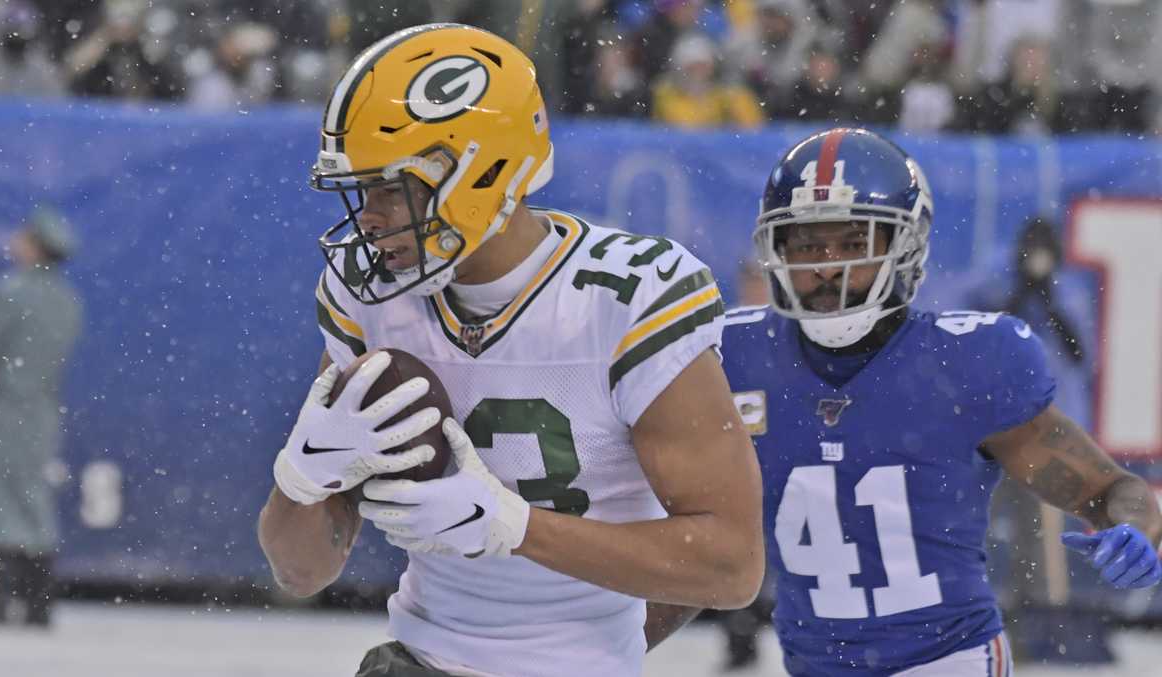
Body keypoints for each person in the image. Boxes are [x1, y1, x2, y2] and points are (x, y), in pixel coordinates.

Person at [256, 23, 765, 677]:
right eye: (361, 192)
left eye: (389, 187)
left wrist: (516, 526)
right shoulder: (372, 298)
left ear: (478, 167)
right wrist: (300, 475)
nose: (370, 218)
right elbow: (299, 571)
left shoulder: (626, 298)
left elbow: (730, 563)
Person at [718, 127, 1162, 675]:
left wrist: (1136, 531)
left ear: (905, 247)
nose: (828, 266)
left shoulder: (967, 363)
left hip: (948, 660)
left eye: (854, 243)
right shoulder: (733, 355)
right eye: (808, 244)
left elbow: (1110, 489)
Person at [0, 206, 84, 626]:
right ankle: (38, 603)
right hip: (40, 414)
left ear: (34, 245)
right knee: (32, 503)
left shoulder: (11, 291)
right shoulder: (66, 300)